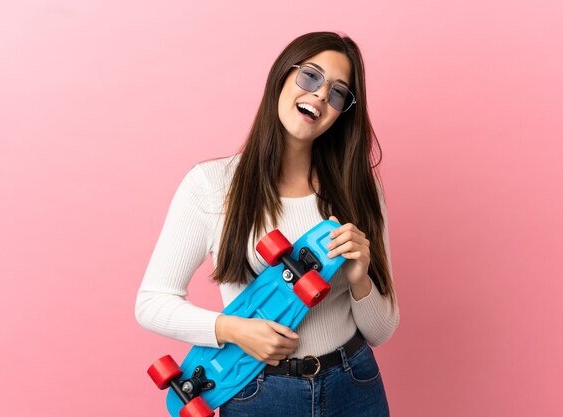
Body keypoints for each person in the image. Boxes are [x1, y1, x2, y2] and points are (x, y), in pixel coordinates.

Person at [135, 31, 399, 416]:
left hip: (353, 383)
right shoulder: (212, 185)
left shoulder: (360, 188)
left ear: (343, 112)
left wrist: (360, 278)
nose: (322, 95)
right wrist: (233, 330)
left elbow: (381, 331)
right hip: (258, 391)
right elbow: (152, 303)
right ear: (281, 76)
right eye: (311, 76)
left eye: (339, 92)